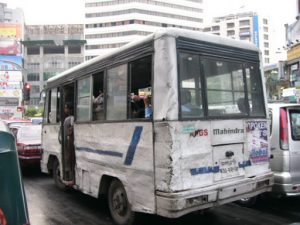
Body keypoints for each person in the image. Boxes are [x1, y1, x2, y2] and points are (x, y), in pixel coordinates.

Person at [63, 102, 75, 184]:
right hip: (68, 141)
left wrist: (68, 134)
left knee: (70, 159)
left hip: (70, 142)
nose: (65, 109)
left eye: (66, 108)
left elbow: (71, 129)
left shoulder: (71, 119)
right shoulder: (68, 118)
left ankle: (71, 178)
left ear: (70, 109)